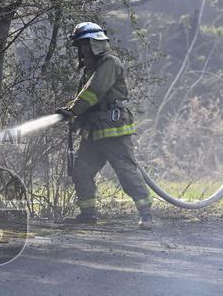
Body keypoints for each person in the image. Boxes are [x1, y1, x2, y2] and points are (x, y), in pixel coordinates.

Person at [55, 22, 154, 230]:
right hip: (93, 130)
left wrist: (74, 109)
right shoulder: (90, 68)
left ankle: (146, 214)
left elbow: (95, 91)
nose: (82, 50)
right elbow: (87, 98)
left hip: (113, 128)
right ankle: (88, 214)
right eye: (80, 46)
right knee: (81, 171)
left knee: (126, 172)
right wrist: (74, 117)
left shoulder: (110, 62)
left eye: (84, 45)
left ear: (95, 43)